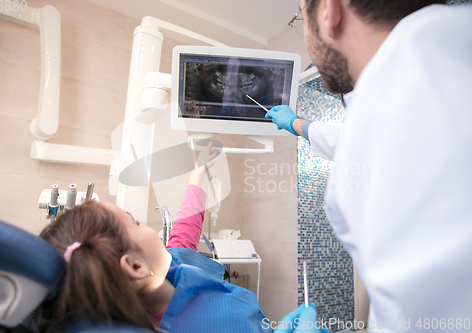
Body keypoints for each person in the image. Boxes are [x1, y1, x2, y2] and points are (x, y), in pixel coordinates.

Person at [265, 0, 472, 331]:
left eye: (301, 13)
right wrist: (297, 125)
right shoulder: (436, 60)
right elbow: (361, 139)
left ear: (329, 10)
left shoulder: (408, 93)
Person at [37, 143, 326, 333]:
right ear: (136, 266)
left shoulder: (171, 270)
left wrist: (198, 172)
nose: (147, 226)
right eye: (135, 222)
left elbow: (185, 230)